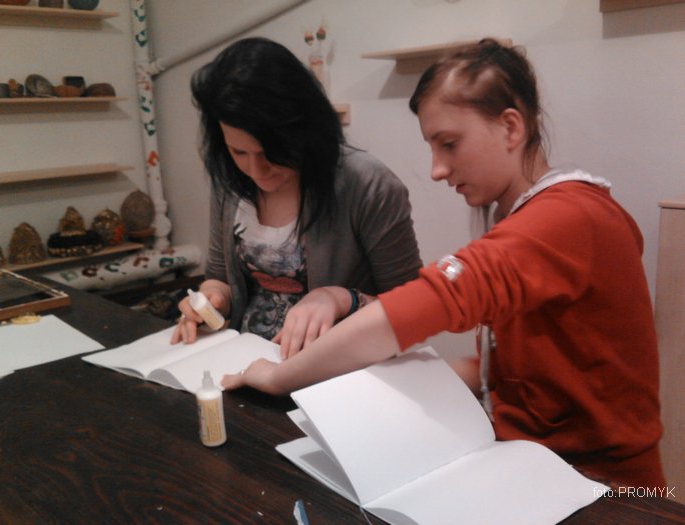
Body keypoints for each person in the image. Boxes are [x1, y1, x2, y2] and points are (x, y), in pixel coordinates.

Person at [222, 38, 665, 488]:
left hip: (609, 486)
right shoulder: (525, 215)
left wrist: (279, 377)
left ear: (511, 127)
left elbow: (426, 303)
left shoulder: (567, 218)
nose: (436, 169)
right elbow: (508, 371)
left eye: (449, 144)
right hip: (539, 461)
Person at [171, 37, 422, 358]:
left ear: (303, 129)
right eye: (239, 152)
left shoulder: (367, 185)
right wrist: (210, 300)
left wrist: (343, 299)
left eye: (271, 152)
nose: (256, 170)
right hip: (245, 359)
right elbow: (220, 278)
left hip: (338, 368)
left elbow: (414, 307)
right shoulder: (232, 182)